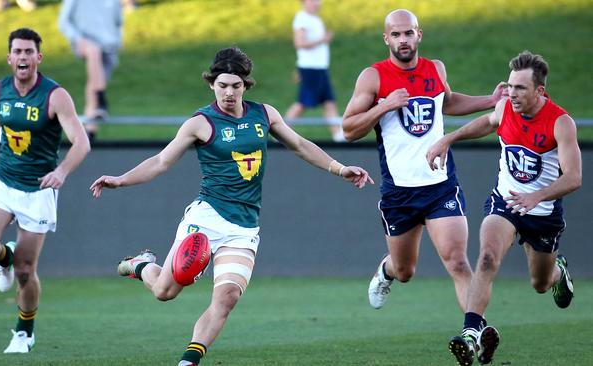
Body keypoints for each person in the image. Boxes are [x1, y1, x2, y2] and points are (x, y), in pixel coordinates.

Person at [90, 47, 373, 366]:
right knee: (165, 292)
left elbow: (301, 145)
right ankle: (141, 264)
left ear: (245, 86)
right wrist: (120, 179)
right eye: (222, 85)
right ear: (212, 84)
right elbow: (160, 161)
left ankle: (188, 360)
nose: (228, 92)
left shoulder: (264, 114)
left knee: (227, 297)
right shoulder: (200, 122)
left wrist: (339, 168)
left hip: (244, 227)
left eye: (235, 86)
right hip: (206, 218)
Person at [341, 9, 506, 315]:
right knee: (405, 271)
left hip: (440, 185)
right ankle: (387, 271)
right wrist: (385, 106)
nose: (403, 40)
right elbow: (349, 129)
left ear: (419, 35)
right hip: (400, 191)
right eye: (396, 34)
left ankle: (474, 332)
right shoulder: (373, 76)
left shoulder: (435, 68)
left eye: (408, 33)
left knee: (458, 261)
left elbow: (448, 101)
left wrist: (489, 100)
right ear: (386, 38)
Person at [427, 51, 580, 366]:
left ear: (540, 91)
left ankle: (557, 272)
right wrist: (448, 139)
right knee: (485, 258)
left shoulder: (560, 122)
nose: (512, 93)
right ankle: (471, 332)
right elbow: (486, 122)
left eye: (521, 88)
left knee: (539, 284)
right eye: (510, 86)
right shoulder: (504, 107)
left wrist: (537, 196)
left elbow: (574, 177)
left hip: (543, 213)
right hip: (505, 202)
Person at [0, 28, 90, 353]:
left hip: (38, 191)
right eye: (18, 51)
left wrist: (61, 171)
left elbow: (81, 143)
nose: (23, 57)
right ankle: (6, 254)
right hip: (3, 182)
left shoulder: (55, 96)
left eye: (29, 51)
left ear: (38, 58)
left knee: (26, 272)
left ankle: (24, 332)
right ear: (9, 57)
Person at [58, 0, 123, 142]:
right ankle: (101, 99)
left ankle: (90, 133)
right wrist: (77, 38)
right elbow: (64, 21)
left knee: (93, 83)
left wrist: (117, 43)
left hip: (109, 47)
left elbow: (118, 22)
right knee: (94, 51)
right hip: (85, 42)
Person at [285, 0, 344, 142]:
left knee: (329, 102)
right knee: (302, 103)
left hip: (320, 68)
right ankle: (281, 132)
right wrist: (322, 40)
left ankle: (338, 136)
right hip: (310, 68)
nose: (318, 3)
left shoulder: (316, 19)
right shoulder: (302, 18)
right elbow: (299, 43)